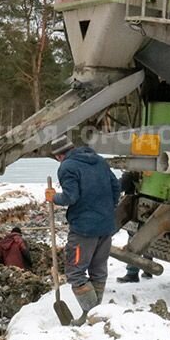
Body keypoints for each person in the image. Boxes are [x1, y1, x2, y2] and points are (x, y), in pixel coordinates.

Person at [45, 134, 120, 323]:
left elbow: (71, 197)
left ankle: (92, 314)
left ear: (58, 156)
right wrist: (106, 210)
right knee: (98, 269)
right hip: (106, 226)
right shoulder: (99, 161)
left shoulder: (67, 167)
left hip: (84, 230)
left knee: (75, 272)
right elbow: (116, 187)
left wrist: (53, 198)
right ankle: (96, 315)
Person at [116, 171, 152, 284]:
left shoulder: (133, 171)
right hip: (152, 206)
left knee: (134, 239)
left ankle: (132, 273)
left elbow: (119, 186)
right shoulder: (154, 170)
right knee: (148, 236)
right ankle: (148, 269)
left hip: (139, 207)